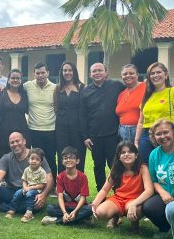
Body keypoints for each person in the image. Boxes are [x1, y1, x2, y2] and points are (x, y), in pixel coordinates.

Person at [0, 132, 53, 227]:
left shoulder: (36, 156)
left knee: (33, 206)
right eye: (12, 142)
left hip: (29, 193)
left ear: (24, 141)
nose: (15, 144)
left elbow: (49, 178)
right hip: (11, 191)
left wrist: (43, 195)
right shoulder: (6, 158)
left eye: (17, 141)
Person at [90, 141, 154, 233]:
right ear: (119, 157)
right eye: (123, 153)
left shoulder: (143, 168)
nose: (126, 154)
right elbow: (104, 189)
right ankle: (115, 217)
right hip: (118, 199)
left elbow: (149, 190)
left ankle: (135, 225)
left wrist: (134, 203)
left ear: (136, 155)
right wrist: (95, 204)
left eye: (130, 152)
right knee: (100, 213)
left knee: (136, 210)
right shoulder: (116, 169)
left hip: (134, 200)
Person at [81, 63, 125, 191]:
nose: (97, 73)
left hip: (113, 134)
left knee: (114, 164)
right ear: (90, 74)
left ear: (106, 72)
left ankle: (118, 190)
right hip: (95, 136)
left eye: (100, 70)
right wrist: (85, 137)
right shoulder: (86, 92)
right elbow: (82, 115)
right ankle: (101, 192)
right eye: (94, 71)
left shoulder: (116, 86)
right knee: (98, 165)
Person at [135, 62, 174, 164]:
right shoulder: (146, 96)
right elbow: (141, 121)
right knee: (145, 165)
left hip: (166, 133)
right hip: (146, 135)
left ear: (166, 75)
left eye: (159, 72)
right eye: (152, 73)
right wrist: (136, 140)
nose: (155, 75)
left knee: (168, 164)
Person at [141, 119, 174, 239]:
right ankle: (165, 228)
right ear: (154, 137)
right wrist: (163, 193)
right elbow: (153, 180)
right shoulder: (154, 154)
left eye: (166, 132)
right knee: (149, 207)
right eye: (158, 134)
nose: (162, 136)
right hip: (166, 194)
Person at [0, 69, 29, 169]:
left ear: (21, 80)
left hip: (21, 131)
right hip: (3, 132)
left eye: (18, 78)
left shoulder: (24, 94)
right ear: (8, 80)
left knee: (21, 158)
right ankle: (2, 181)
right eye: (13, 78)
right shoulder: (1, 93)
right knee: (3, 159)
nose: (15, 80)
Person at [42, 146, 93, 226]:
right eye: (65, 158)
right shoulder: (60, 177)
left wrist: (75, 211)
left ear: (77, 161)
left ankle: (57, 220)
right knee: (50, 208)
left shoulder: (83, 177)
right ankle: (81, 219)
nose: (68, 160)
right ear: (62, 161)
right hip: (66, 207)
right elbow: (60, 196)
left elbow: (83, 198)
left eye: (72, 157)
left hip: (79, 207)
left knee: (89, 209)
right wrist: (64, 212)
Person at [24, 62, 57, 179]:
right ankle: (38, 182)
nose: (40, 75)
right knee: (36, 158)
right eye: (38, 73)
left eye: (43, 72)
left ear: (48, 73)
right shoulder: (27, 86)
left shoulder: (55, 88)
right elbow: (14, 88)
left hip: (51, 129)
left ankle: (52, 184)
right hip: (33, 129)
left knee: (51, 157)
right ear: (34, 74)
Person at [54, 61, 85, 173]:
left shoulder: (81, 87)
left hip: (77, 127)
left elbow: (84, 109)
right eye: (65, 70)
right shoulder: (58, 88)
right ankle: (63, 186)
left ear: (74, 72)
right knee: (62, 155)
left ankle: (79, 186)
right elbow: (55, 108)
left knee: (78, 155)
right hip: (61, 127)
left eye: (70, 70)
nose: (67, 72)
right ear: (61, 73)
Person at [5, 148, 46, 222]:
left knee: (30, 194)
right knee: (17, 193)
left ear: (41, 162)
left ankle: (29, 213)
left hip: (36, 190)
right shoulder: (27, 169)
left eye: (37, 159)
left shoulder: (42, 171)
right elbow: (24, 181)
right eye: (32, 158)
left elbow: (42, 185)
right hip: (27, 188)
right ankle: (12, 210)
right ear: (28, 160)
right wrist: (25, 188)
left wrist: (30, 189)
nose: (34, 161)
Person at [115, 64, 145, 143]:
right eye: (125, 74)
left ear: (137, 75)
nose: (128, 76)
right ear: (121, 77)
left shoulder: (146, 87)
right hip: (122, 132)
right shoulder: (121, 94)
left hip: (140, 131)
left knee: (140, 154)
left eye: (131, 73)